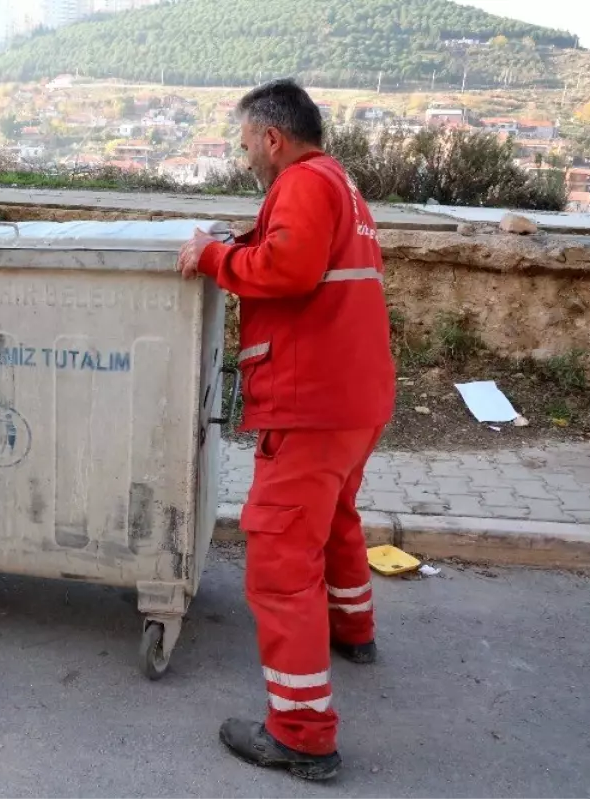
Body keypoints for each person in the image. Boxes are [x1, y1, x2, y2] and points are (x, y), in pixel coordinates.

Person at [177, 79, 396, 782]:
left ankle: (302, 733)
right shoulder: (344, 186)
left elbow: (289, 268)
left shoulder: (302, 184)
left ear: (273, 138)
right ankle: (352, 629)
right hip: (356, 398)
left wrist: (214, 258)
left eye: (246, 143)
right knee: (334, 517)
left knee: (277, 556)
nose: (246, 157)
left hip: (313, 402)